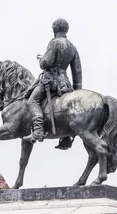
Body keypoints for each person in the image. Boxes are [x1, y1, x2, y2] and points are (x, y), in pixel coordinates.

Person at [24, 18, 82, 149]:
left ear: (54, 29)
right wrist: (77, 90)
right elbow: (77, 71)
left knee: (31, 102)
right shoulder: (72, 47)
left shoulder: (54, 42)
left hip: (50, 82)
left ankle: (38, 131)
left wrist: (41, 59)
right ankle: (66, 138)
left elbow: (46, 63)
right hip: (65, 85)